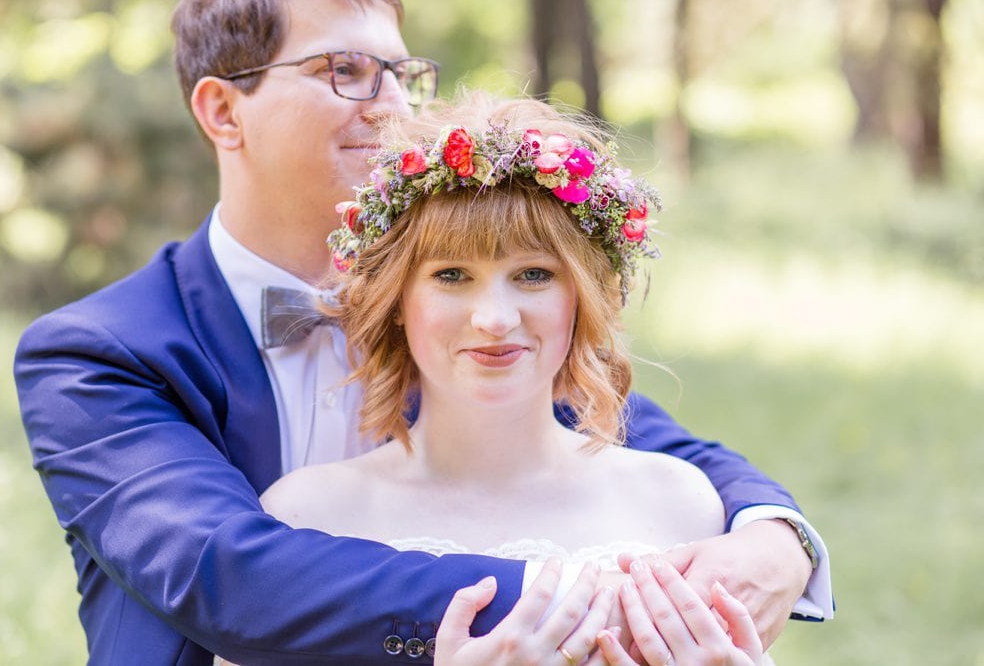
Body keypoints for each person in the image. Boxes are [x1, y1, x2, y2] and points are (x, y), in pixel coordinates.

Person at [12, 0, 831, 664]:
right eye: (347, 70)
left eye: (404, 75)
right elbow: (227, 574)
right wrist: (607, 596)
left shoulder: (457, 322)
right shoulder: (97, 355)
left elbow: (616, 424)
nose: (394, 106)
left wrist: (775, 539)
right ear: (224, 111)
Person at [241, 93, 771, 666]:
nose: (494, 318)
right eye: (451, 275)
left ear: (581, 296)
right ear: (397, 300)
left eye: (534, 275)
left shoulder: (681, 506)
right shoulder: (306, 519)